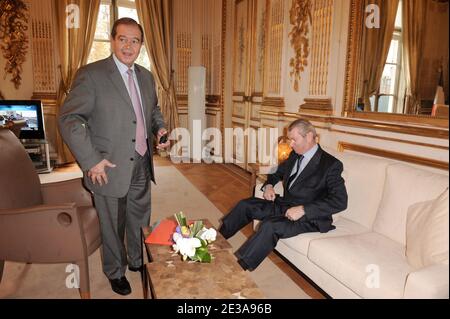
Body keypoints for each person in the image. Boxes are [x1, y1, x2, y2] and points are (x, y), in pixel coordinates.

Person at [59, 18, 169, 296]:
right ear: (112, 40)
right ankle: (114, 271)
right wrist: (91, 159)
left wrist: (161, 128)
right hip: (106, 166)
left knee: (139, 218)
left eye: (135, 41)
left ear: (142, 45)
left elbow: (152, 111)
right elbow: (70, 118)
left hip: (142, 161)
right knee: (111, 224)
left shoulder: (146, 76)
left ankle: (135, 260)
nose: (129, 46)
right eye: (123, 39)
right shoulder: (91, 74)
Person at [219, 119, 348, 271]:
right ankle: (214, 241)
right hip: (285, 205)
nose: (291, 144)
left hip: (309, 217)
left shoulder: (330, 165)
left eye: (294, 140)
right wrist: (268, 186)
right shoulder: (295, 155)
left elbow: (340, 201)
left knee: (270, 226)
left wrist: (304, 209)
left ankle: (237, 270)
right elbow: (277, 173)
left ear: (309, 136)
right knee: (245, 205)